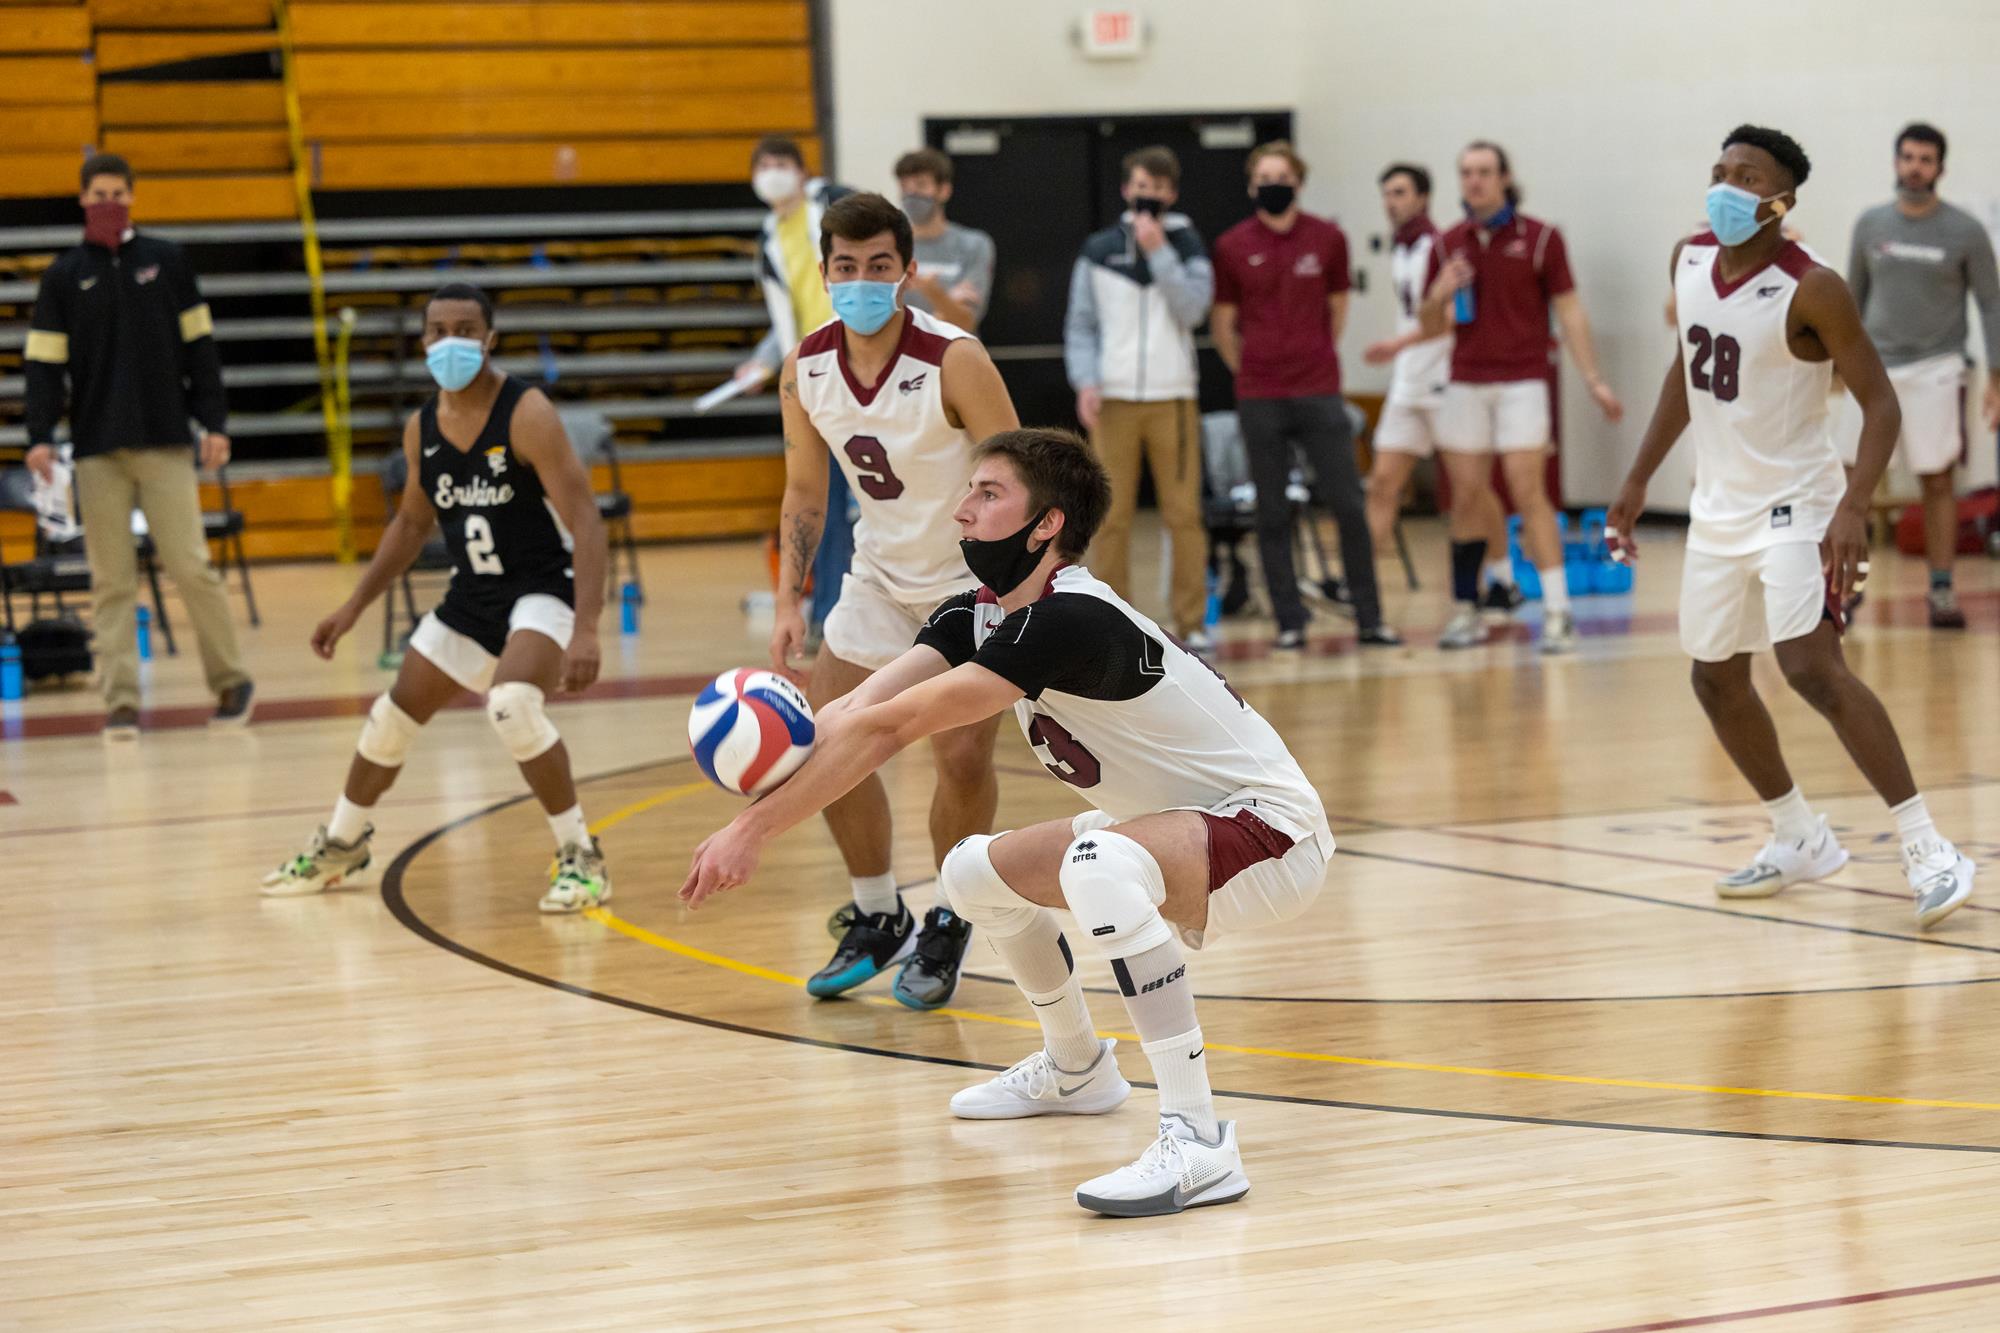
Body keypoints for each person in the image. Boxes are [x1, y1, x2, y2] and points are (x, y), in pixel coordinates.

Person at [684, 428, 1333, 1217]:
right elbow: (858, 711)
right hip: (1176, 821)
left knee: (1097, 863)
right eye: (968, 492)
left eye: (988, 494)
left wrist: (752, 834)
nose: (961, 510)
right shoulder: (976, 614)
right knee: (969, 871)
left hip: (1272, 833)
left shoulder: (1072, 618)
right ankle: (1078, 1067)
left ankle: (1198, 1139)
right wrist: (772, 739)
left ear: (1047, 524)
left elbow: (894, 730)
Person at [1606, 125, 1974, 930]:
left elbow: (1881, 402)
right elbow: (1687, 367)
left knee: (1811, 666)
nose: (1726, 185)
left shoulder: (1815, 288)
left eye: (1746, 175)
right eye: (1719, 171)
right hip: (1716, 508)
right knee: (1714, 679)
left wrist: (1851, 507)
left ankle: (1927, 845)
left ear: (1782, 199)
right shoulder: (1689, 257)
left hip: (1798, 505)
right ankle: (1798, 833)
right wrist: (1636, 477)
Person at [262, 284, 615, 913]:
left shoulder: (527, 413)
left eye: (465, 328)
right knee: (389, 720)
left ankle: (581, 856)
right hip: (472, 596)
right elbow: (410, 525)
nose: (449, 340)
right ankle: (343, 843)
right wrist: (353, 608)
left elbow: (586, 522)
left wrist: (586, 628)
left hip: (539, 590)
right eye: (437, 329)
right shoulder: (421, 426)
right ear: (422, 341)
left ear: (490, 339)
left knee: (511, 704)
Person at [769, 193, 1021, 1008]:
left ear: (907, 271)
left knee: (959, 756)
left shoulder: (955, 359)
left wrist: (1021, 591)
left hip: (968, 583)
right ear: (825, 273)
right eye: (847, 267)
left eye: (880, 266)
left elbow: (1020, 472)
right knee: (820, 738)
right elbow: (805, 491)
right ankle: (878, 913)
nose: (863, 280)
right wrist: (788, 601)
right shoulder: (804, 366)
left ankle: (949, 918)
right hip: (878, 576)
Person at [22, 152, 254, 738]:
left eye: (119, 194)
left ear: (132, 197)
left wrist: (216, 423)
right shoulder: (63, 275)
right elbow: (44, 367)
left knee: (192, 567)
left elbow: (202, 350)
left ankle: (231, 683)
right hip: (96, 452)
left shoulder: (169, 263)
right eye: (99, 193)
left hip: (166, 444)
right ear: (82, 199)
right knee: (111, 582)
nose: (109, 203)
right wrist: (40, 437)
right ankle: (121, 702)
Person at [1420, 141, 1623, 654]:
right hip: (1465, 379)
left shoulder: (1541, 239)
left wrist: (1594, 379)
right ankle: (1468, 607)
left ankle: (1558, 611)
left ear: (1505, 177)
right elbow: (1427, 327)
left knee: (1527, 490)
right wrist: (1438, 294)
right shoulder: (1446, 245)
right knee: (1465, 493)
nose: (1475, 181)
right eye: (1466, 172)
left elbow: (1571, 311)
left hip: (1523, 381)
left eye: (1485, 171)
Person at [1213, 141, 1399, 650]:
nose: (1274, 183)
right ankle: (1290, 621)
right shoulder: (1232, 244)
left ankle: (1370, 617)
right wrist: (1249, 366)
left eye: (1283, 175)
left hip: (1318, 389)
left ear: (1298, 182)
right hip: (1260, 394)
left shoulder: (1328, 239)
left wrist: (1312, 355)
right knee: (1272, 512)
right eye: (1264, 176)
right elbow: (1224, 324)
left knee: (1348, 504)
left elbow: (1338, 310)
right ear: (1253, 185)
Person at [1842, 121, 2000, 629]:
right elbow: (1849, 299)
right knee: (1853, 481)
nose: (1915, 166)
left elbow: (1991, 305)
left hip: (1937, 368)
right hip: (1873, 369)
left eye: (1925, 159)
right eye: (1908, 157)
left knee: (1937, 481)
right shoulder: (1870, 226)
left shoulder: (1965, 232)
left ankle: (1942, 591)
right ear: (1896, 162)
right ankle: (1848, 586)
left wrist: (1996, 375)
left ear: (1940, 168)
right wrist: (1839, 364)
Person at [1062, 145, 1214, 649]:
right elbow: (1080, 324)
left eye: (1158, 188)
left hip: (1173, 398)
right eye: (1139, 186)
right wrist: (1086, 380)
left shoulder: (1189, 245)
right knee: (1110, 515)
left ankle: (1191, 622)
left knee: (1183, 513)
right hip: (1115, 399)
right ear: (1127, 190)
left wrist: (1160, 253)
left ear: (1171, 193)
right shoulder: (1098, 249)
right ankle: (1113, 621)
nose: (1147, 195)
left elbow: (1193, 310)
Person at [1361, 162, 1513, 616]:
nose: (1392, 201)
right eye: (1386, 193)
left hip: (1445, 376)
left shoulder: (1441, 245)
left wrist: (1397, 342)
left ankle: (1503, 578)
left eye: (1401, 193)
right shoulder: (1401, 248)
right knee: (1382, 482)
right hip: (1408, 380)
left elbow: (1450, 317)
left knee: (1472, 488)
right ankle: (1363, 589)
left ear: (1423, 198)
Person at [732, 136, 856, 636]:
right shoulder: (767, 239)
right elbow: (789, 319)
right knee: (818, 495)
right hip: (814, 375)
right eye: (763, 166)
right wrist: (768, 363)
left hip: (859, 363)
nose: (773, 174)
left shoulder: (834, 204)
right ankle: (829, 610)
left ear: (804, 173)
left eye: (782, 164)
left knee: (866, 495)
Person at [894, 147, 995, 333]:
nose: (912, 194)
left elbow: (966, 322)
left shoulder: (973, 245)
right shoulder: (891, 246)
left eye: (921, 185)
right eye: (905, 187)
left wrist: (932, 291)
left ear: (944, 191)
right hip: (905, 357)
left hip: (957, 357)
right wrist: (947, 304)